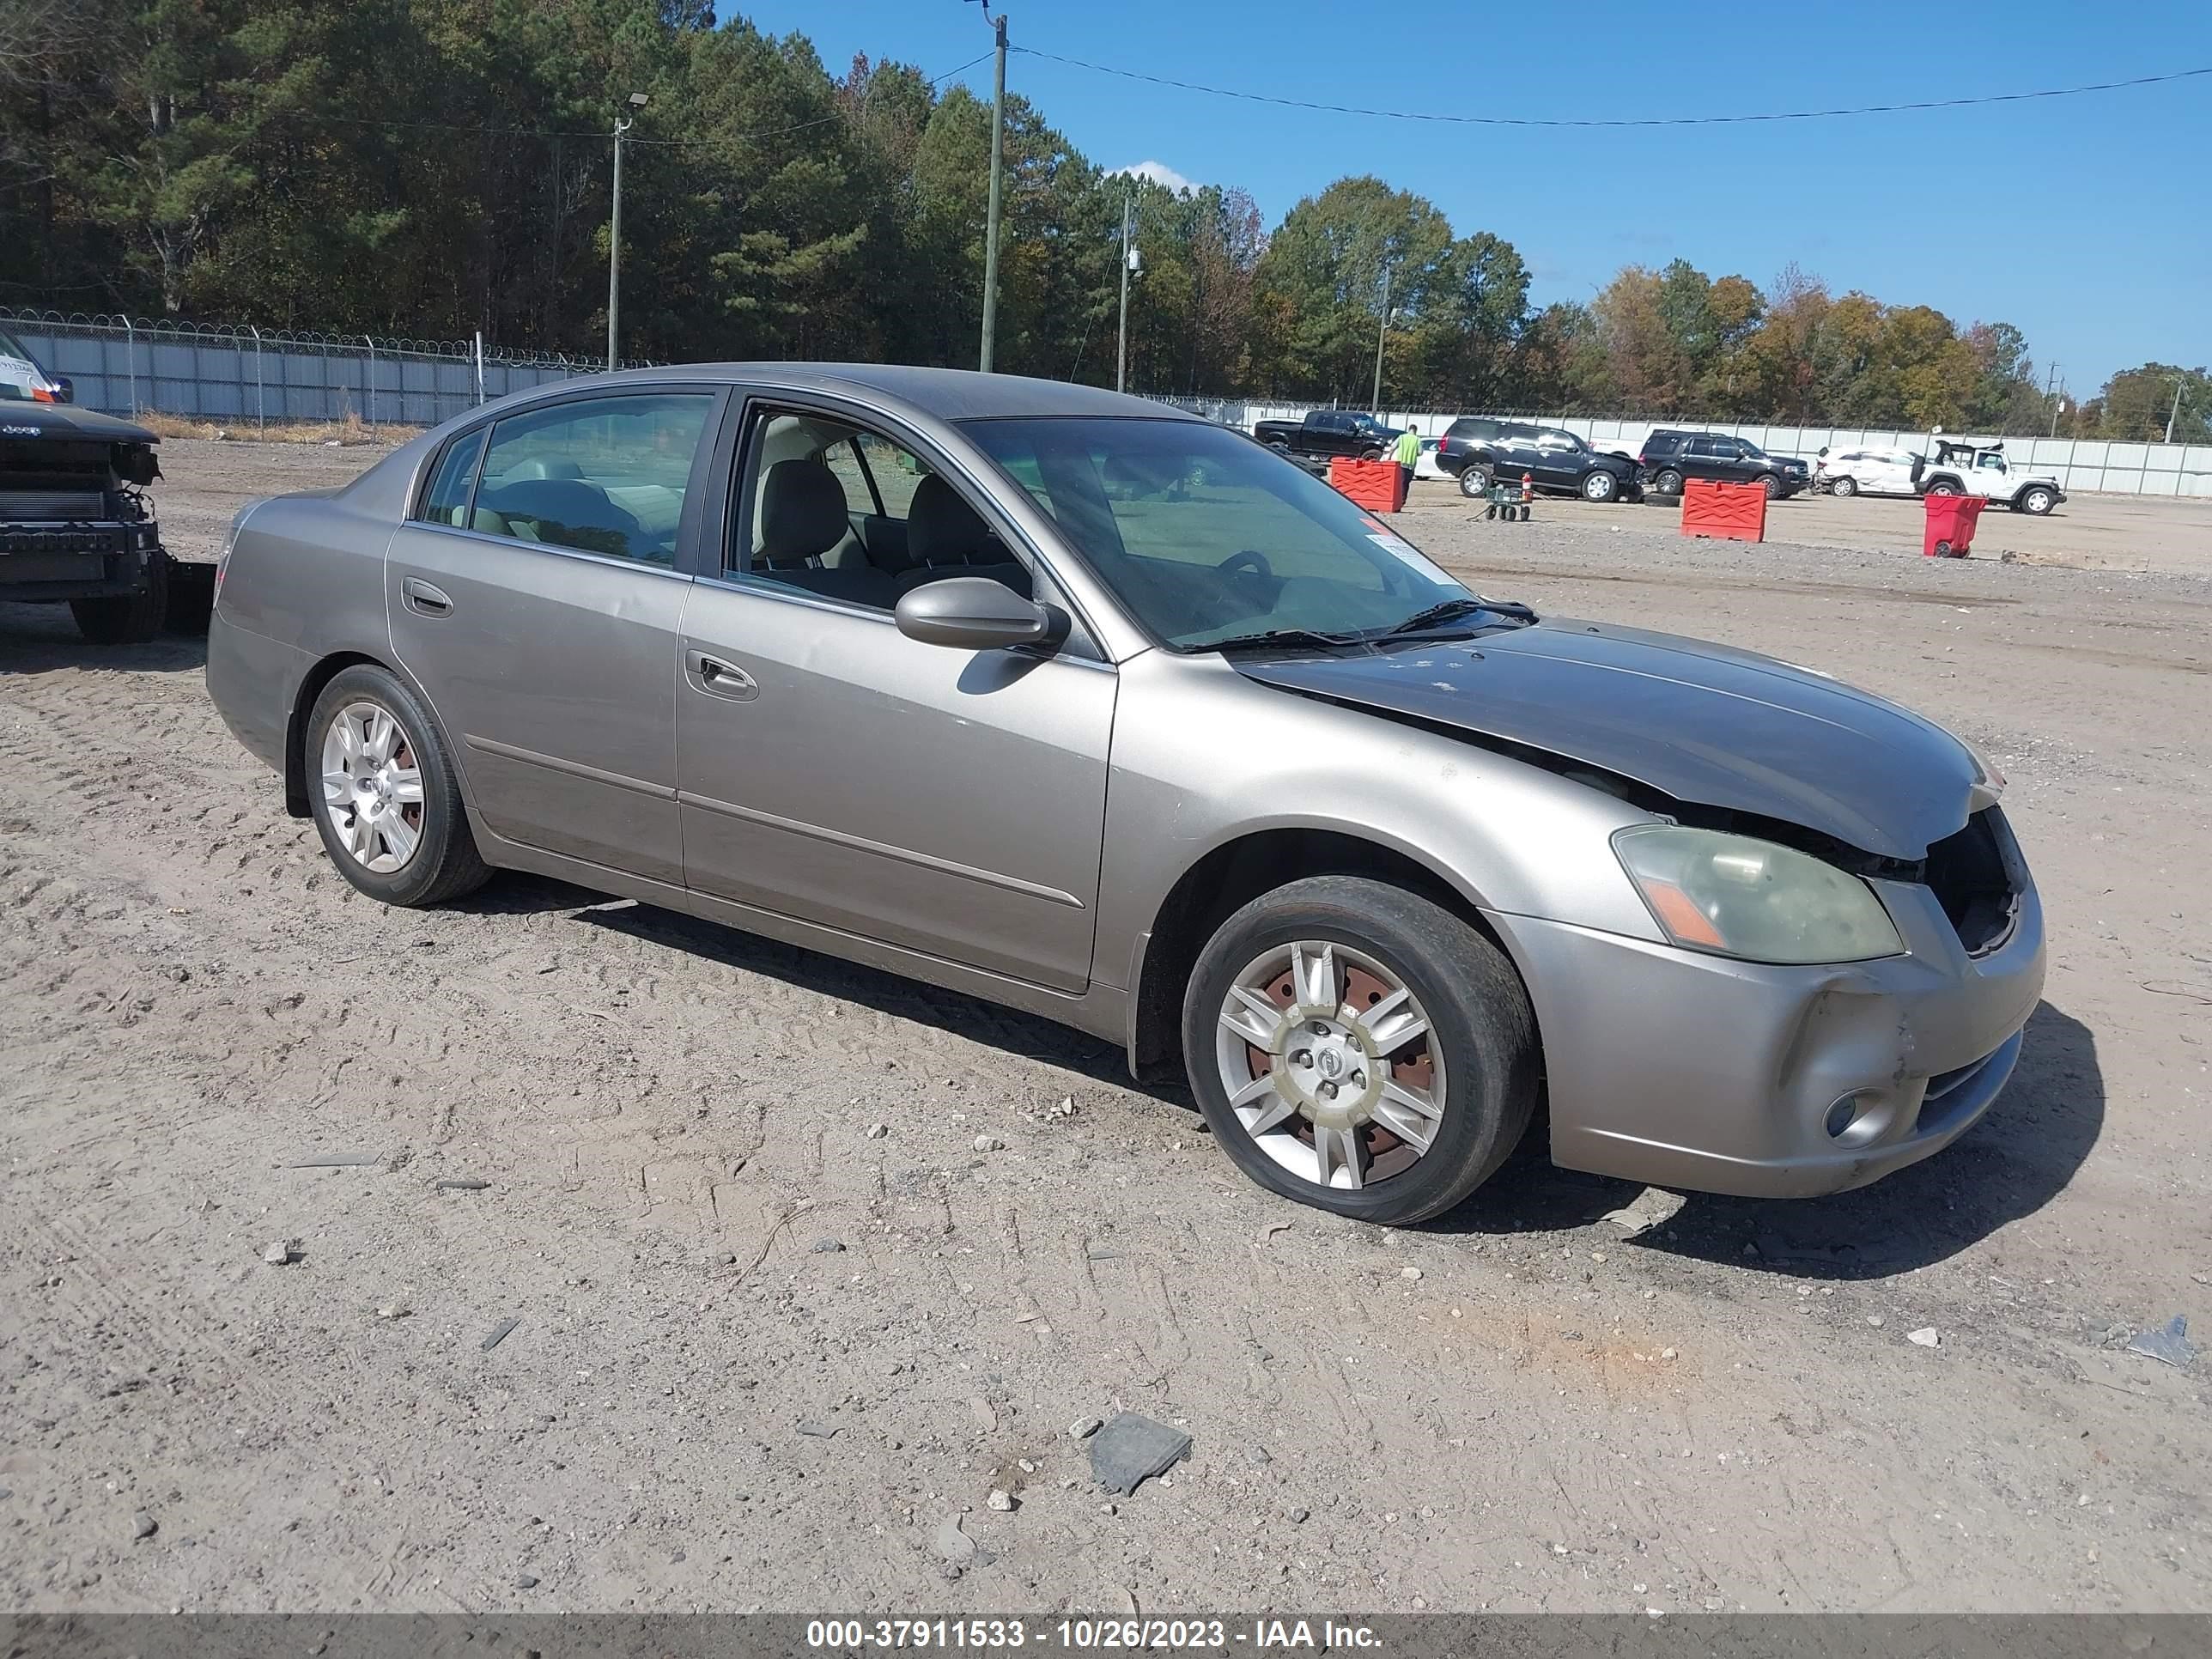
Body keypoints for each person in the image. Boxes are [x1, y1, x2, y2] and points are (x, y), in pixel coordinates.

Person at [1392, 423, 1420, 503]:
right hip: (1411, 466)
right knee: (1406, 483)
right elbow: (1420, 452)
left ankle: (1398, 498)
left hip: (1400, 464)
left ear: (1409, 429)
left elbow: (1393, 447)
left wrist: (1389, 457)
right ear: (1415, 431)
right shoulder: (1417, 440)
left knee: (1400, 482)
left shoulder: (1402, 437)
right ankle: (1403, 498)